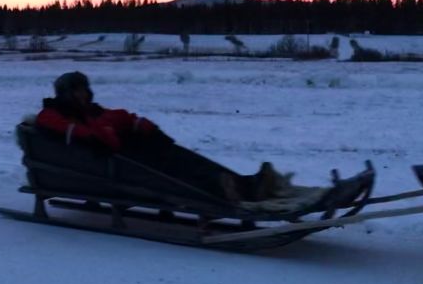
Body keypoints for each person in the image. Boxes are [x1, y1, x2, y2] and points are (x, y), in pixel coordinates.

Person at [35, 71, 322, 206]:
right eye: (78, 91)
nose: (84, 94)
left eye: (85, 89)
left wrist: (141, 125)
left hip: (129, 152)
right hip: (116, 163)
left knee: (181, 157)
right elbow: (71, 131)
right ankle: (225, 190)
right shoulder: (53, 115)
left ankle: (247, 184)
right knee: (175, 172)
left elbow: (117, 117)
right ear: (66, 94)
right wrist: (100, 134)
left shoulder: (93, 111)